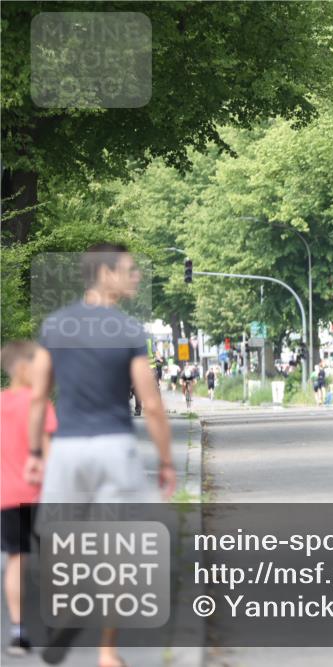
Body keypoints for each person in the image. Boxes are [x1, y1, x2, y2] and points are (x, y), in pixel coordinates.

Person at [28, 243, 176, 667]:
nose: (137, 277)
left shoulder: (55, 326)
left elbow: (39, 398)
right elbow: (150, 403)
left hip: (68, 449)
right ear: (106, 274)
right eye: (129, 271)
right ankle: (107, 653)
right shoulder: (128, 331)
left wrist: (37, 452)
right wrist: (165, 462)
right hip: (114, 447)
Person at [1, 342, 57, 657]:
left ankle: (18, 632)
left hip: (6, 495)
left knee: (15, 559)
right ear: (23, 369)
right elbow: (48, 452)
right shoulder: (39, 404)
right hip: (39, 493)